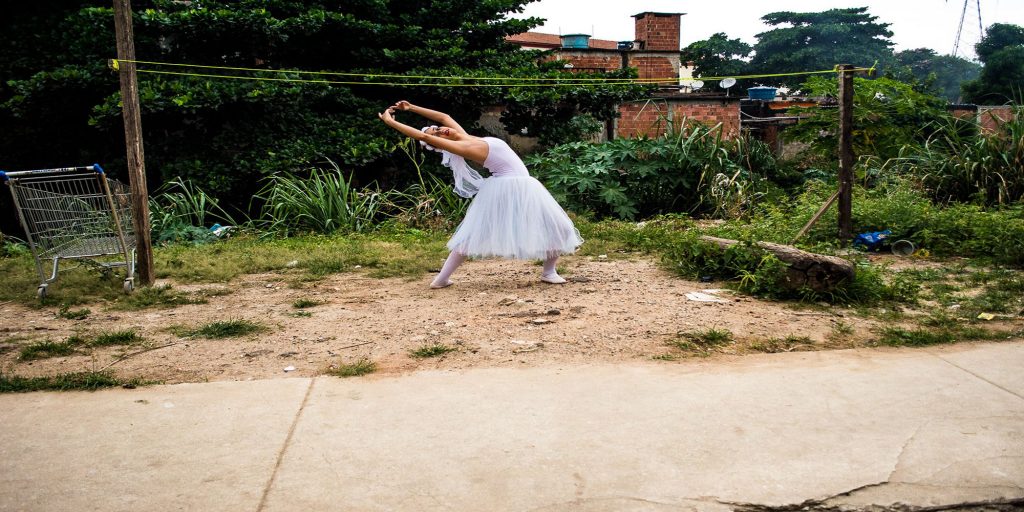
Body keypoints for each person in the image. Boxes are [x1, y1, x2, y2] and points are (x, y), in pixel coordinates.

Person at [378, 100, 583, 288]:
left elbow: (444, 117)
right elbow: (422, 136)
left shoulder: (466, 137)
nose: (442, 131)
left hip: (523, 186)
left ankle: (549, 271)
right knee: (474, 234)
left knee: (560, 227)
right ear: (440, 143)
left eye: (439, 129)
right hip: (508, 188)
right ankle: (441, 279)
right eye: (437, 134)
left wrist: (411, 108)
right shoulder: (463, 146)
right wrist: (390, 122)